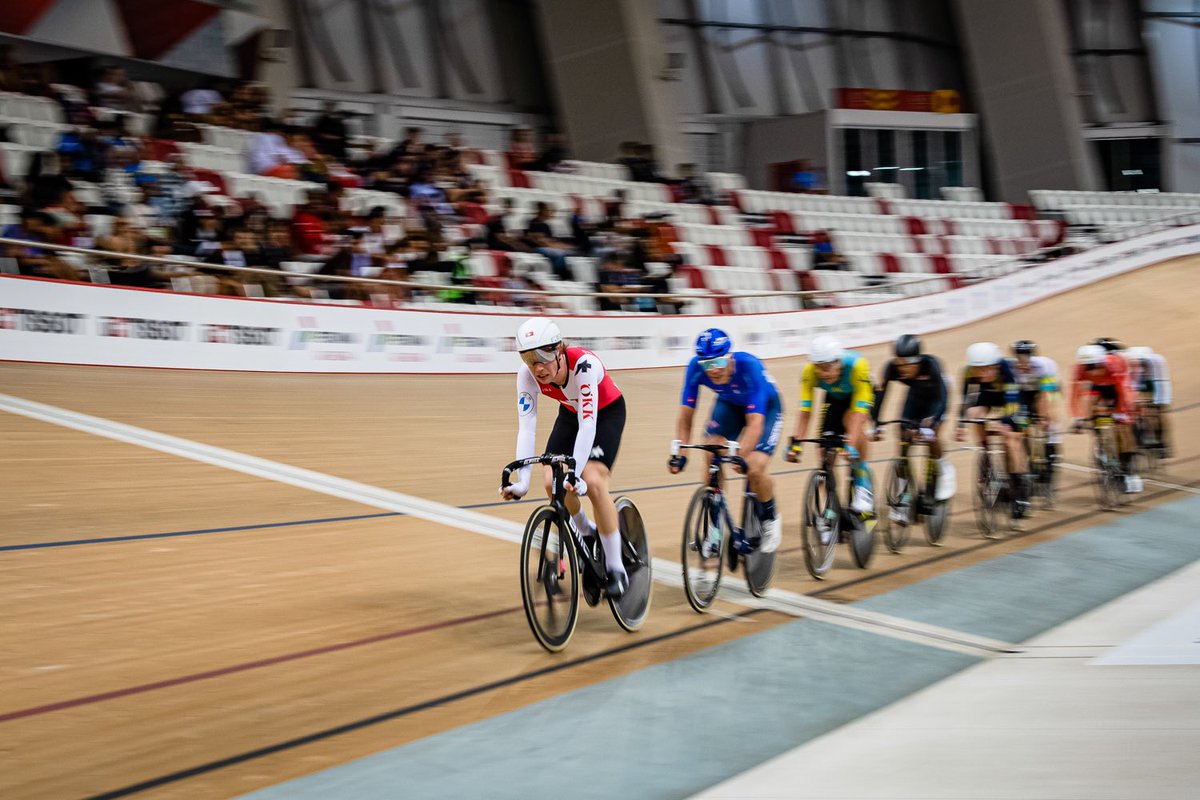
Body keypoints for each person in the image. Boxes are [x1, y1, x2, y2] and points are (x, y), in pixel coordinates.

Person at [500, 318, 631, 598]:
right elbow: (527, 427)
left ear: (558, 350)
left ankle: (616, 567)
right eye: (528, 358)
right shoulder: (526, 375)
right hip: (571, 414)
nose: (537, 367)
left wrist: (576, 473)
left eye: (542, 357)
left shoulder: (584, 365)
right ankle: (587, 532)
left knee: (592, 481)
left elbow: (588, 425)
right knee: (552, 482)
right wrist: (523, 482)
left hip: (605, 414)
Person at [668, 329, 783, 554]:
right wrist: (681, 453)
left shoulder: (750, 366)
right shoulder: (695, 368)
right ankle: (715, 529)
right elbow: (686, 416)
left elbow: (755, 423)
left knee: (754, 467)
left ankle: (770, 518)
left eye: (718, 362)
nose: (713, 370)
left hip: (765, 408)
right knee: (711, 449)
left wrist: (741, 456)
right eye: (707, 364)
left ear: (730, 357)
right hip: (730, 404)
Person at [786, 335, 876, 519]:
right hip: (834, 400)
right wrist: (796, 443)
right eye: (819, 368)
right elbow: (805, 411)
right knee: (824, 453)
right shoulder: (810, 372)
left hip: (858, 399)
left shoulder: (857, 366)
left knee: (851, 423)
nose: (823, 373)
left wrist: (850, 444)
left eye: (827, 367)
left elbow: (859, 414)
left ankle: (863, 486)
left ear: (838, 363)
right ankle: (831, 508)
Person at [871, 334, 955, 518]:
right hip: (915, 398)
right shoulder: (891, 368)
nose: (902, 369)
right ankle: (903, 495)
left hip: (935, 400)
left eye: (907, 364)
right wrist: (876, 423)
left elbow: (943, 399)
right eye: (899, 363)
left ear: (917, 360)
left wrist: (933, 422)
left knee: (931, 435)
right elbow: (881, 396)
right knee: (903, 437)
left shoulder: (931, 365)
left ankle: (942, 466)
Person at [955, 342, 1033, 524]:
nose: (982, 374)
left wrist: (1004, 424)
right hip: (988, 396)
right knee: (973, 413)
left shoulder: (1007, 370)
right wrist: (960, 425)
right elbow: (965, 400)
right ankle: (986, 454)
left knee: (1012, 441)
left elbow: (1013, 405)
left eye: (987, 369)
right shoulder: (969, 372)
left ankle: (1020, 491)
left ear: (996, 365)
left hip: (1014, 401)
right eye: (978, 370)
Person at [1070, 343, 1143, 493]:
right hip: (1099, 388)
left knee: (1123, 428)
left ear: (1101, 362)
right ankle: (1102, 441)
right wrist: (1078, 417)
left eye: (1094, 365)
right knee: (1092, 406)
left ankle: (1128, 472)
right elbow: (1075, 394)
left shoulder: (1113, 365)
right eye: (1088, 367)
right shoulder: (1080, 369)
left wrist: (1121, 413)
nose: (1092, 370)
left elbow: (1123, 391)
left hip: (1117, 387)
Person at [1008, 339, 1063, 484]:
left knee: (1049, 416)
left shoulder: (1043, 366)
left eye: (1026, 358)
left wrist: (1044, 416)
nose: (1022, 362)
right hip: (1024, 392)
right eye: (1019, 358)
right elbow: (1012, 395)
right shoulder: (1011, 367)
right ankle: (1026, 455)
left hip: (1044, 389)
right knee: (1019, 421)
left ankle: (1051, 446)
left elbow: (1045, 395)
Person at [1126, 346, 1172, 458]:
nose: (1139, 366)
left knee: (1159, 411)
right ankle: (1139, 437)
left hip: (1157, 382)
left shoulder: (1157, 363)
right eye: (1137, 362)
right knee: (1134, 407)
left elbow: (1162, 387)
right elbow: (1131, 387)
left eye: (1142, 363)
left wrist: (1157, 404)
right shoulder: (1132, 367)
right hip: (1141, 382)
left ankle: (1162, 443)